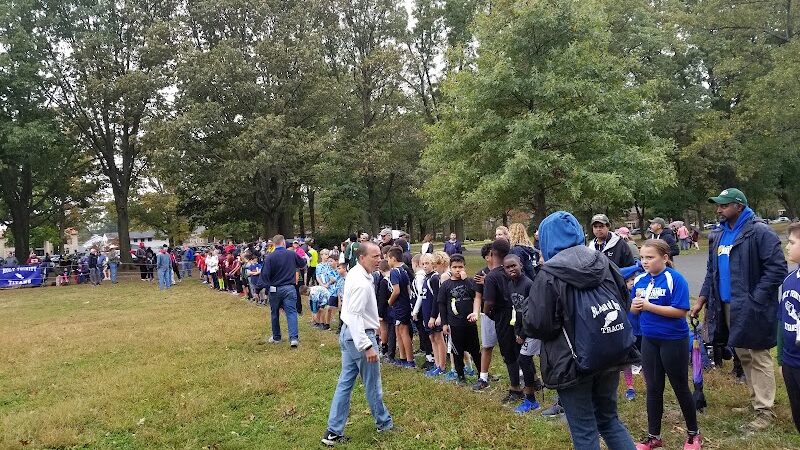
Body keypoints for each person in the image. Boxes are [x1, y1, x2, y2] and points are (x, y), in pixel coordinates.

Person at [525, 211, 637, 450]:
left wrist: (526, 308)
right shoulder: (604, 262)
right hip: (609, 351)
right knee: (608, 420)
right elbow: (623, 300)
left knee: (584, 429)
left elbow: (538, 325)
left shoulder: (549, 274)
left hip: (571, 361)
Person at [692, 188, 787, 431]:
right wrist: (702, 298)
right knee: (742, 353)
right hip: (725, 305)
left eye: (723, 206)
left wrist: (756, 299)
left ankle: (765, 410)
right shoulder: (719, 235)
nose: (718, 210)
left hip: (752, 306)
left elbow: (777, 269)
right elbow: (711, 271)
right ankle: (756, 400)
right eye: (718, 206)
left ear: (739, 206)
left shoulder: (760, 233)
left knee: (758, 355)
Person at [631, 240, 701, 450]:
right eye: (642, 257)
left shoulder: (675, 278)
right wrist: (634, 308)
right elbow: (634, 312)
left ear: (664, 257)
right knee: (653, 388)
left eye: (650, 257)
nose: (645, 262)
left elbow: (681, 311)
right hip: (649, 340)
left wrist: (649, 306)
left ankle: (693, 435)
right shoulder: (639, 281)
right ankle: (654, 437)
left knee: (680, 387)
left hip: (673, 340)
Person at [321, 242, 393, 446]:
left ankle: (333, 432)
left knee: (345, 383)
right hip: (358, 337)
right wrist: (367, 345)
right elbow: (354, 316)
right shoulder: (361, 282)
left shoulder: (357, 272)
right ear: (362, 258)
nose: (379, 259)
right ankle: (384, 423)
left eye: (380, 255)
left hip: (349, 334)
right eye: (374, 256)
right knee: (372, 384)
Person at [482, 238, 526, 404]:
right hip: (520, 313)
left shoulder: (492, 276)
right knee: (521, 350)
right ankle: (533, 380)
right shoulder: (516, 270)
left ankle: (515, 388)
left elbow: (489, 302)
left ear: (492, 254)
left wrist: (488, 314)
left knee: (509, 354)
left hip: (503, 316)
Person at [504, 254, 542, 414]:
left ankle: (531, 400)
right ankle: (533, 392)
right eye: (508, 267)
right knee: (525, 360)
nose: (511, 269)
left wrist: (524, 333)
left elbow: (532, 312)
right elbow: (517, 311)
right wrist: (516, 330)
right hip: (521, 328)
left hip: (533, 328)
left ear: (520, 265)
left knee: (525, 360)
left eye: (514, 265)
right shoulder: (511, 285)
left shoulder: (528, 284)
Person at [437, 253, 481, 385]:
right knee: (457, 352)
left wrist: (466, 280)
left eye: (460, 267)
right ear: (450, 268)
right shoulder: (446, 285)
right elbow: (442, 305)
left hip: (470, 323)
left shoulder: (469, 282)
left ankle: (482, 374)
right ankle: (461, 376)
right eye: (455, 267)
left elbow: (476, 295)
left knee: (475, 350)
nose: (458, 270)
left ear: (464, 267)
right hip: (455, 324)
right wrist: (444, 323)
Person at [258, 235, 307, 348]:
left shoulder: (269, 257)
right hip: (289, 288)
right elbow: (302, 264)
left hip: (274, 288)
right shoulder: (291, 254)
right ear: (283, 242)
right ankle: (293, 338)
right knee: (291, 312)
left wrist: (260, 288)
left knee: (274, 313)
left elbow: (265, 274)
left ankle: (276, 337)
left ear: (274, 244)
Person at [778, 222, 800, 432]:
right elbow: (782, 320)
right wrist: (781, 358)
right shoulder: (790, 280)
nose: (787, 247)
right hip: (791, 361)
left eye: (792, 243)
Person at [473, 243, 497, 391]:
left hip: (504, 313)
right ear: (487, 257)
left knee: (511, 347)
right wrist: (476, 312)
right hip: (487, 314)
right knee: (487, 346)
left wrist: (488, 280)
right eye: (493, 254)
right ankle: (483, 377)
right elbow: (477, 297)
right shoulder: (480, 273)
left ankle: (520, 374)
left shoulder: (504, 270)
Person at [418, 253, 446, 377]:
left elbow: (437, 298)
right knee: (432, 338)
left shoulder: (434, 278)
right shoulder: (426, 277)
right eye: (422, 264)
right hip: (426, 313)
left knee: (438, 338)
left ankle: (442, 366)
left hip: (432, 314)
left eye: (427, 263)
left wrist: (435, 316)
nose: (424, 266)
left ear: (433, 264)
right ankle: (436, 364)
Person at [387, 246, 414, 368]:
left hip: (400, 306)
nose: (387, 261)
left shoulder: (394, 272)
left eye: (388, 258)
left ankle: (410, 360)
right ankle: (402, 358)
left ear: (393, 258)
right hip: (404, 304)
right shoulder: (404, 270)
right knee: (399, 331)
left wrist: (390, 302)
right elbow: (408, 289)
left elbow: (396, 290)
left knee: (403, 332)